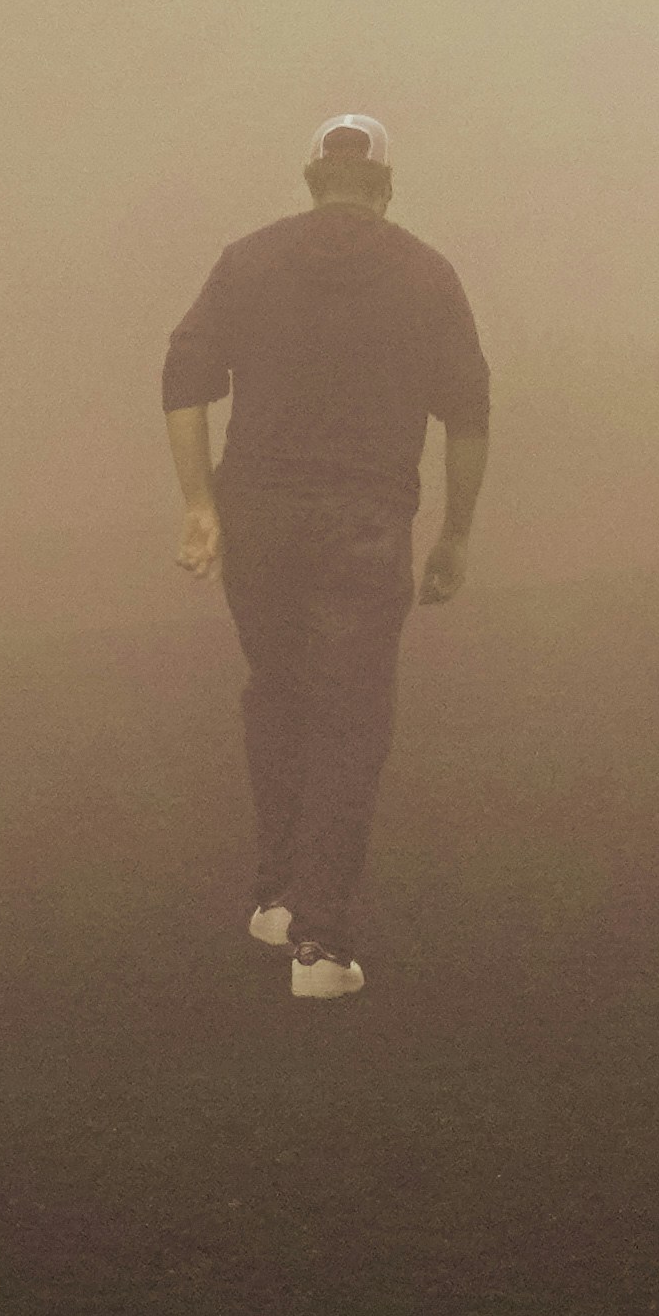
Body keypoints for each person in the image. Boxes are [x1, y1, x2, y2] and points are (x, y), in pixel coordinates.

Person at [162, 115, 490, 1002]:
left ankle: (273, 898)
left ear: (313, 179)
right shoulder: (426, 275)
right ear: (383, 186)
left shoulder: (248, 262)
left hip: (257, 516)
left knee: (278, 693)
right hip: (365, 522)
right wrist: (455, 534)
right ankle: (323, 945)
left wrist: (199, 505)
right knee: (351, 720)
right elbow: (466, 416)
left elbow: (183, 378)